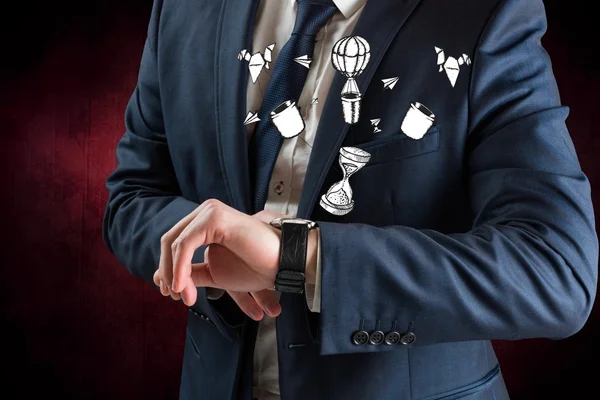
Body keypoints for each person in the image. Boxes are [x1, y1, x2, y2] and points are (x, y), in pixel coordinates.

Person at [101, 0, 598, 399]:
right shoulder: (182, 8)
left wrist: (298, 258)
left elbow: (555, 270)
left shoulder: (486, 13)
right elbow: (132, 197)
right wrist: (210, 251)